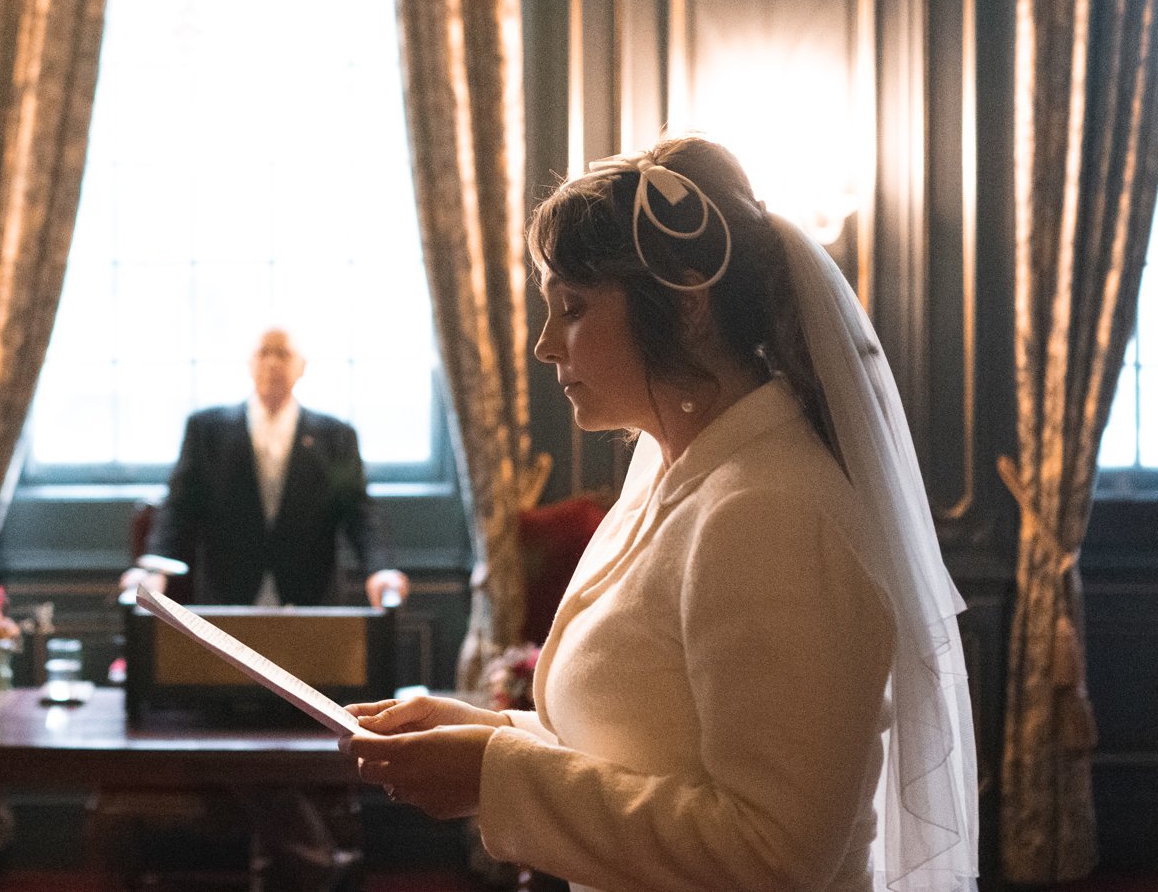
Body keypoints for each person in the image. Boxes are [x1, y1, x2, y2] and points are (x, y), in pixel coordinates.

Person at [343, 137, 980, 892]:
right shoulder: (676, 477)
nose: (546, 344)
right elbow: (647, 746)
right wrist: (484, 732)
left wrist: (492, 778)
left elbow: (774, 853)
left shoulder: (771, 510)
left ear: (686, 303)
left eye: (572, 307)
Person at [125, 327, 408, 610]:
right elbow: (178, 507)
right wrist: (155, 568)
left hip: (310, 596)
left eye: (283, 354)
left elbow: (358, 511)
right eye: (263, 353)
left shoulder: (335, 436)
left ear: (302, 367)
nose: (273, 363)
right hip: (228, 594)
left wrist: (379, 568)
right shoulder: (207, 431)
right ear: (249, 364)